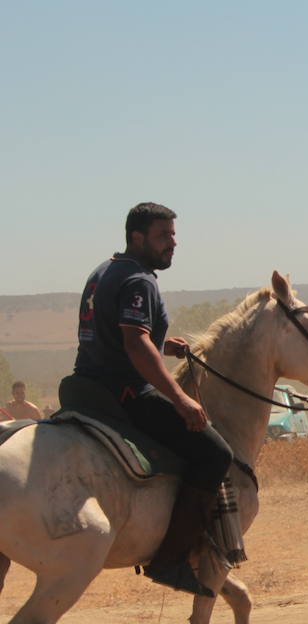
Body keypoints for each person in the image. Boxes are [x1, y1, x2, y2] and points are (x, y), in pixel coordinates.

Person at [72, 202, 233, 596]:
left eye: (174, 236)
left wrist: (162, 344)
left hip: (86, 386)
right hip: (126, 394)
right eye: (164, 236)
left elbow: (120, 336)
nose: (172, 244)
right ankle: (171, 559)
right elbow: (133, 342)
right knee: (216, 455)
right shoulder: (140, 279)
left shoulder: (105, 270)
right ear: (137, 237)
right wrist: (179, 398)